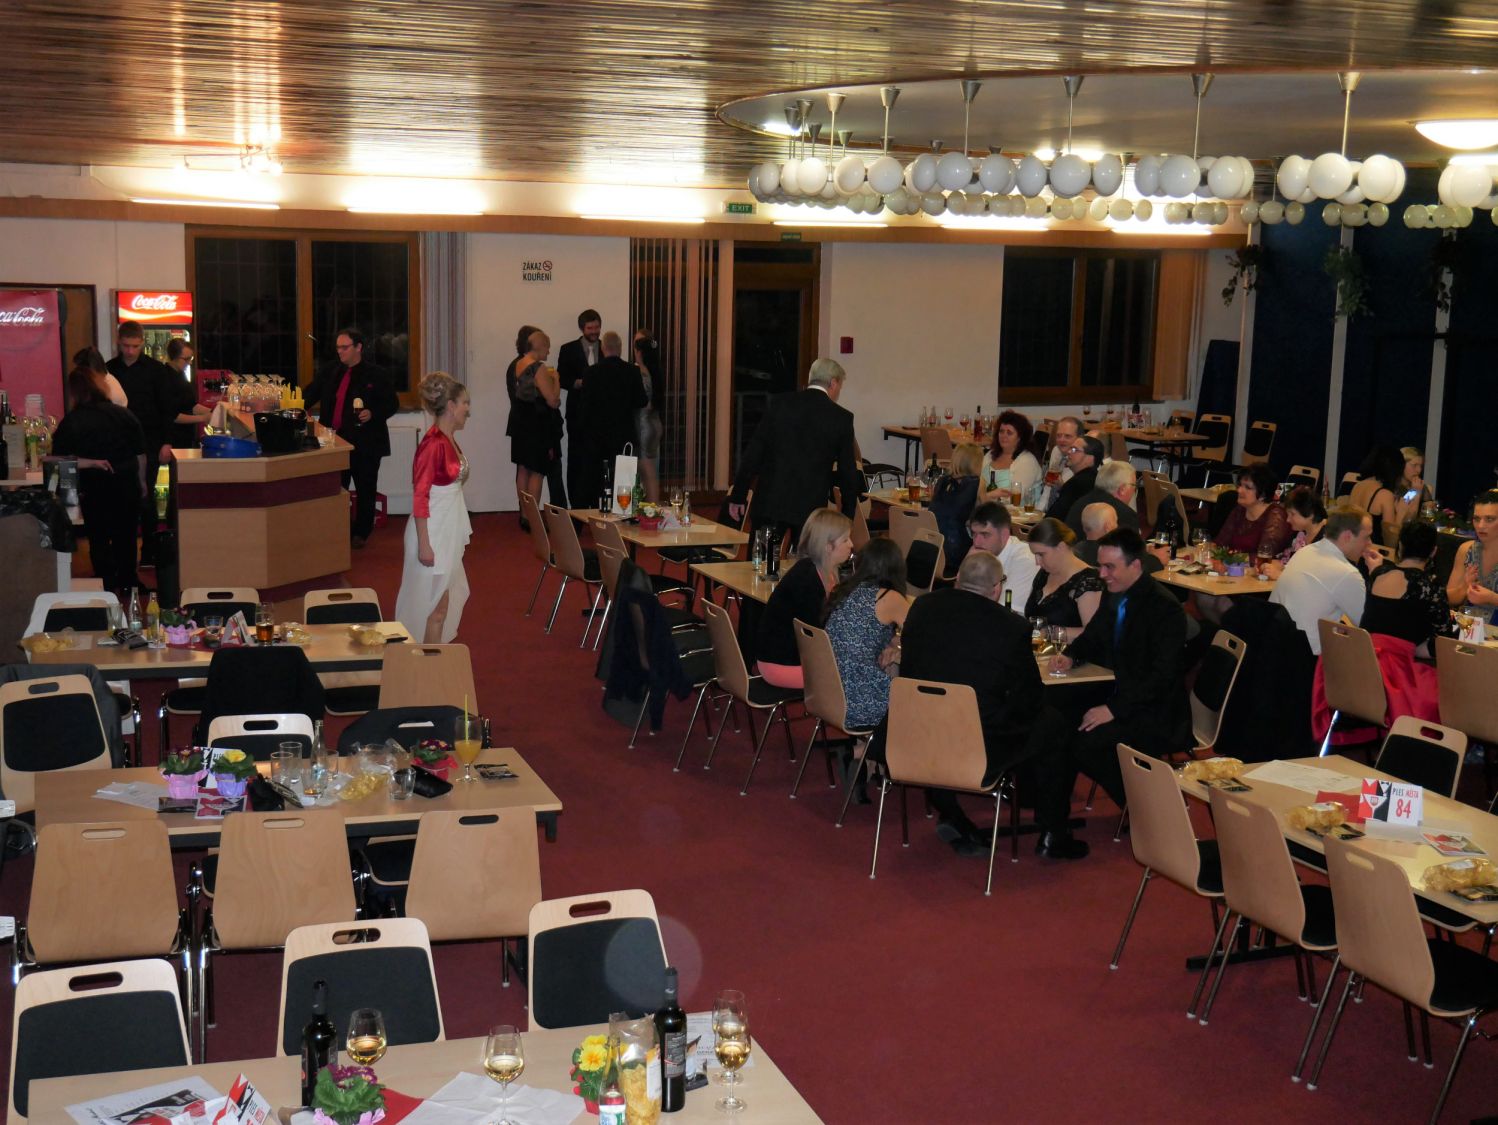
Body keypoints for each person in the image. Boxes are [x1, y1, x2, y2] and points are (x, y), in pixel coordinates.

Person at [895, 551, 1078, 857]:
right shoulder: (1010, 627)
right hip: (977, 743)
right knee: (1054, 724)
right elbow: (1029, 696)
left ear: (958, 579)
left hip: (917, 731)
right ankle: (1053, 831)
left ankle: (950, 810)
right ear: (996, 588)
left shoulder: (922, 607)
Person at [1046, 529, 1193, 827]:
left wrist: (1113, 710)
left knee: (1083, 742)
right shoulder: (1116, 593)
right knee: (1056, 721)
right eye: (1101, 566)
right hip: (1121, 693)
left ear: (1135, 565)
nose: (1102, 574)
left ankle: (1146, 811)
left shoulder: (1165, 609)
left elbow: (1162, 678)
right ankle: (1053, 818)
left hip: (1155, 709)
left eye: (1109, 567)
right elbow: (1094, 634)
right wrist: (1071, 655)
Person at [728, 358, 861, 545]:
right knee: (805, 561)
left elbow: (753, 453)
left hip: (771, 500)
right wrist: (847, 515)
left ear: (811, 378)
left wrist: (739, 495)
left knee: (761, 560)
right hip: (810, 508)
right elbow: (847, 471)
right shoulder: (841, 418)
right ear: (833, 383)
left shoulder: (779, 404)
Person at [47, 367, 146, 595]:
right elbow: (140, 455)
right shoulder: (124, 415)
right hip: (125, 480)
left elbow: (58, 459)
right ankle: (128, 581)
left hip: (94, 486)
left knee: (98, 535)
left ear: (75, 392)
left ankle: (105, 581)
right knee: (127, 535)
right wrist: (142, 482)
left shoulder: (72, 421)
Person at [395, 374, 472, 644]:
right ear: (450, 406)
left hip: (445, 529)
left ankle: (431, 660)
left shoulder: (448, 438)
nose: (467, 409)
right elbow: (420, 495)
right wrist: (425, 545)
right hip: (432, 532)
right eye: (464, 403)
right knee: (433, 607)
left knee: (441, 606)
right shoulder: (433, 443)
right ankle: (424, 662)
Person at [308, 328, 398, 549]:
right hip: (335, 442)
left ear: (358, 347)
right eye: (338, 347)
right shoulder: (330, 371)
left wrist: (373, 413)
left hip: (366, 443)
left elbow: (392, 404)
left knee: (365, 488)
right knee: (336, 489)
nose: (340, 351)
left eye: (344, 347)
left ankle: (361, 532)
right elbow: (309, 394)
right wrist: (287, 406)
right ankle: (340, 529)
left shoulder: (376, 374)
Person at [108, 320, 186, 568]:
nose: (130, 351)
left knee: (147, 498)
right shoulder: (110, 370)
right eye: (126, 346)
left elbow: (167, 410)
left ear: (142, 343)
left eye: (134, 346)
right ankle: (123, 554)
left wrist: (167, 442)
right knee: (122, 500)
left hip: (150, 441)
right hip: (119, 444)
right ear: (118, 343)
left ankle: (150, 552)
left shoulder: (155, 370)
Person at [756, 509, 853, 689]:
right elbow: (816, 637)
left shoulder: (822, 572)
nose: (851, 545)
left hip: (789, 657)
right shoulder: (807, 579)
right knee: (857, 674)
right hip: (781, 665)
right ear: (827, 546)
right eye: (845, 540)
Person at [1269, 505, 1382, 654]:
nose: (1370, 544)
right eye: (1366, 537)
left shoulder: (1305, 551)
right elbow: (1371, 626)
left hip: (1274, 645)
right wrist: (1377, 575)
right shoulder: (1346, 573)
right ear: (1347, 536)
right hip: (1306, 657)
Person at [824, 537, 909, 731]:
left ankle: (865, 745)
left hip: (828, 691)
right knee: (917, 694)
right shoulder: (889, 597)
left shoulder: (847, 590)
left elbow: (866, 633)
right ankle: (880, 745)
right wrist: (898, 651)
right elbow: (921, 636)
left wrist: (893, 645)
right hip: (860, 700)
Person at [579, 331, 646, 506]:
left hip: (597, 435)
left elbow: (585, 406)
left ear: (603, 348)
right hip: (624, 433)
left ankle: (597, 510)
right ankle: (623, 512)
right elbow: (641, 400)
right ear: (620, 348)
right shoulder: (632, 371)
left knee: (597, 477)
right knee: (623, 478)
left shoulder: (591, 372)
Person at [1362, 520, 1449, 653]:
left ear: (1400, 546)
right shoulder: (1431, 587)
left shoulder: (1378, 574)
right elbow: (1442, 641)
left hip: (1363, 656)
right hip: (1396, 663)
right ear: (1433, 551)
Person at [508, 328, 563, 514]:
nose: (549, 351)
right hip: (536, 424)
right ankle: (533, 516)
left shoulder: (519, 364)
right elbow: (553, 401)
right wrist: (556, 380)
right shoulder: (538, 367)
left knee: (523, 469)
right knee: (537, 471)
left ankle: (525, 512)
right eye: (547, 347)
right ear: (540, 347)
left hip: (520, 422)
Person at [1024, 517, 1103, 640]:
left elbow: (1093, 634)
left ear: (1061, 547)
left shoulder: (1088, 581)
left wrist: (1048, 633)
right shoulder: (1045, 573)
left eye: (1041, 554)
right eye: (1035, 555)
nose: (1037, 562)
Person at [557, 309, 602, 510]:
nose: (594, 332)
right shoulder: (568, 349)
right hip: (577, 413)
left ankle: (597, 501)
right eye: (590, 328)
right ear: (582, 328)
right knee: (576, 458)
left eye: (597, 327)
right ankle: (576, 503)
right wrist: (577, 383)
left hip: (601, 416)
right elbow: (562, 378)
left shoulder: (606, 347)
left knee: (598, 460)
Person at [1350, 445, 1422, 548]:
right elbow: (1391, 542)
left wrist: (1414, 492)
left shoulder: (1358, 486)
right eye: (1414, 465)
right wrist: (1401, 513)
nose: (1419, 470)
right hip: (1374, 550)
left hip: (1354, 546)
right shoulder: (1385, 494)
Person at [967, 501, 1038, 605]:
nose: (976, 542)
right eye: (974, 534)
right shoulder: (980, 552)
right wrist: (966, 567)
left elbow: (1007, 611)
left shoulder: (1025, 561)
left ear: (1004, 535)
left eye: (985, 534)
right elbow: (961, 599)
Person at [1213, 464, 1291, 558]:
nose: (1239, 490)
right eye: (1240, 485)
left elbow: (1265, 556)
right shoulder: (1240, 509)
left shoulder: (1276, 516)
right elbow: (1220, 543)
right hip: (1232, 564)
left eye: (1248, 487)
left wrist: (1230, 559)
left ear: (1263, 494)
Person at [929, 442, 982, 571]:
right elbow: (984, 516)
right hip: (956, 554)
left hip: (933, 549)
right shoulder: (977, 483)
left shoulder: (942, 481)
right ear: (976, 463)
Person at [1446, 490, 1498, 621]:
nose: (1481, 526)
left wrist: (1493, 598)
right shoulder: (1466, 550)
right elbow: (1448, 599)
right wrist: (1465, 587)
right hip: (1468, 625)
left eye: (1489, 519)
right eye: (1476, 519)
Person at [1076, 502, 1164, 574]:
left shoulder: (1076, 550)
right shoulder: (1110, 553)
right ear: (1107, 527)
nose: (1117, 526)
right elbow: (1134, 570)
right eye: (1115, 522)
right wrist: (1156, 559)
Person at [978, 410, 1041, 506]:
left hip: (1015, 513)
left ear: (1020, 437)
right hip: (987, 509)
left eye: (1009, 433)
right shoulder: (990, 455)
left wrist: (985, 497)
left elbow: (1012, 500)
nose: (1004, 436)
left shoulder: (1027, 462)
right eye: (1001, 431)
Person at [1065, 459, 1140, 537]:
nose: (1134, 490)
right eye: (1134, 485)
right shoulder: (1126, 515)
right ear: (1122, 489)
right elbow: (1131, 544)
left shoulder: (1079, 503)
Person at [633, 330, 665, 502]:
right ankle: (651, 506)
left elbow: (641, 401)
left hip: (643, 424)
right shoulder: (656, 370)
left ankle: (652, 508)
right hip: (654, 422)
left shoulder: (640, 371)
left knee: (647, 473)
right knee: (652, 470)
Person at [163, 338, 211, 449]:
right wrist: (203, 418)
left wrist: (212, 411)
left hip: (186, 436)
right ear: (173, 357)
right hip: (173, 438)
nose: (190, 363)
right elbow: (173, 416)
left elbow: (190, 405)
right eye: (186, 359)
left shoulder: (180, 374)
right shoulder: (165, 377)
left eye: (191, 358)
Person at [1044, 434, 1102, 523]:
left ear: (1089, 458)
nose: (1069, 452)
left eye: (1075, 450)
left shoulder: (1077, 483)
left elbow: (1053, 519)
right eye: (1070, 448)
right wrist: (1062, 488)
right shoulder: (1095, 478)